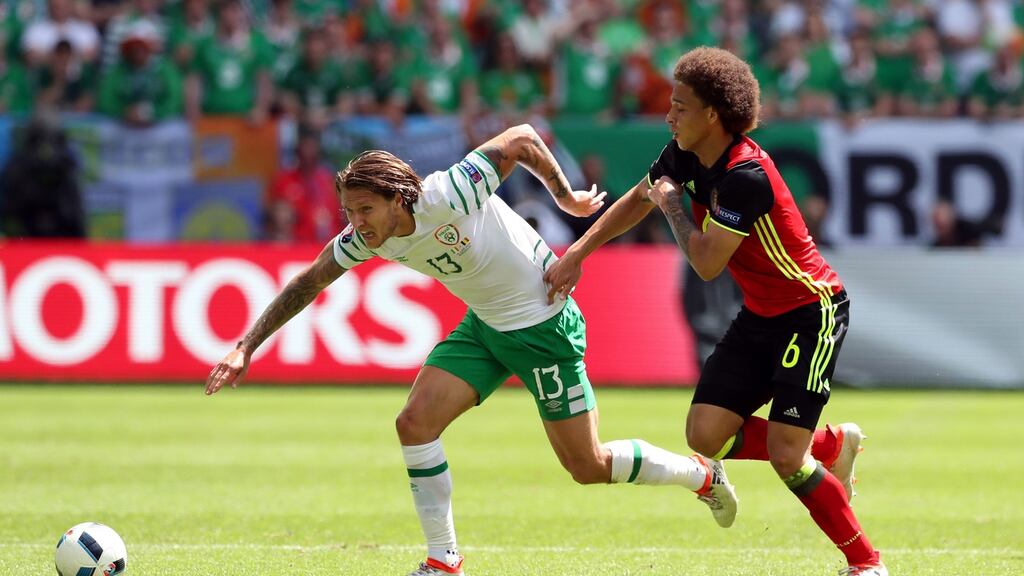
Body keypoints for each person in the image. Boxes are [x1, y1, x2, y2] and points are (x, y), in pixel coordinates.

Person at [205, 123, 739, 576]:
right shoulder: (368, 237)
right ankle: (443, 561)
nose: (356, 223)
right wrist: (245, 345)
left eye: (365, 209)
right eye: (349, 211)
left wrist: (564, 197)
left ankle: (701, 476)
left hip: (542, 328)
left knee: (588, 465)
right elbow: (308, 282)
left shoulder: (448, 194)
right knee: (413, 424)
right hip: (484, 328)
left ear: (398, 198)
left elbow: (522, 138)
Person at [544, 47, 886, 576]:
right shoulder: (685, 153)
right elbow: (639, 197)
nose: (669, 115)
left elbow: (705, 263)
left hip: (810, 311)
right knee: (705, 435)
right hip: (762, 314)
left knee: (787, 459)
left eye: (680, 106)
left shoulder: (746, 177)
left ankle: (866, 564)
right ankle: (832, 443)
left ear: (713, 116)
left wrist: (673, 205)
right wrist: (579, 255)